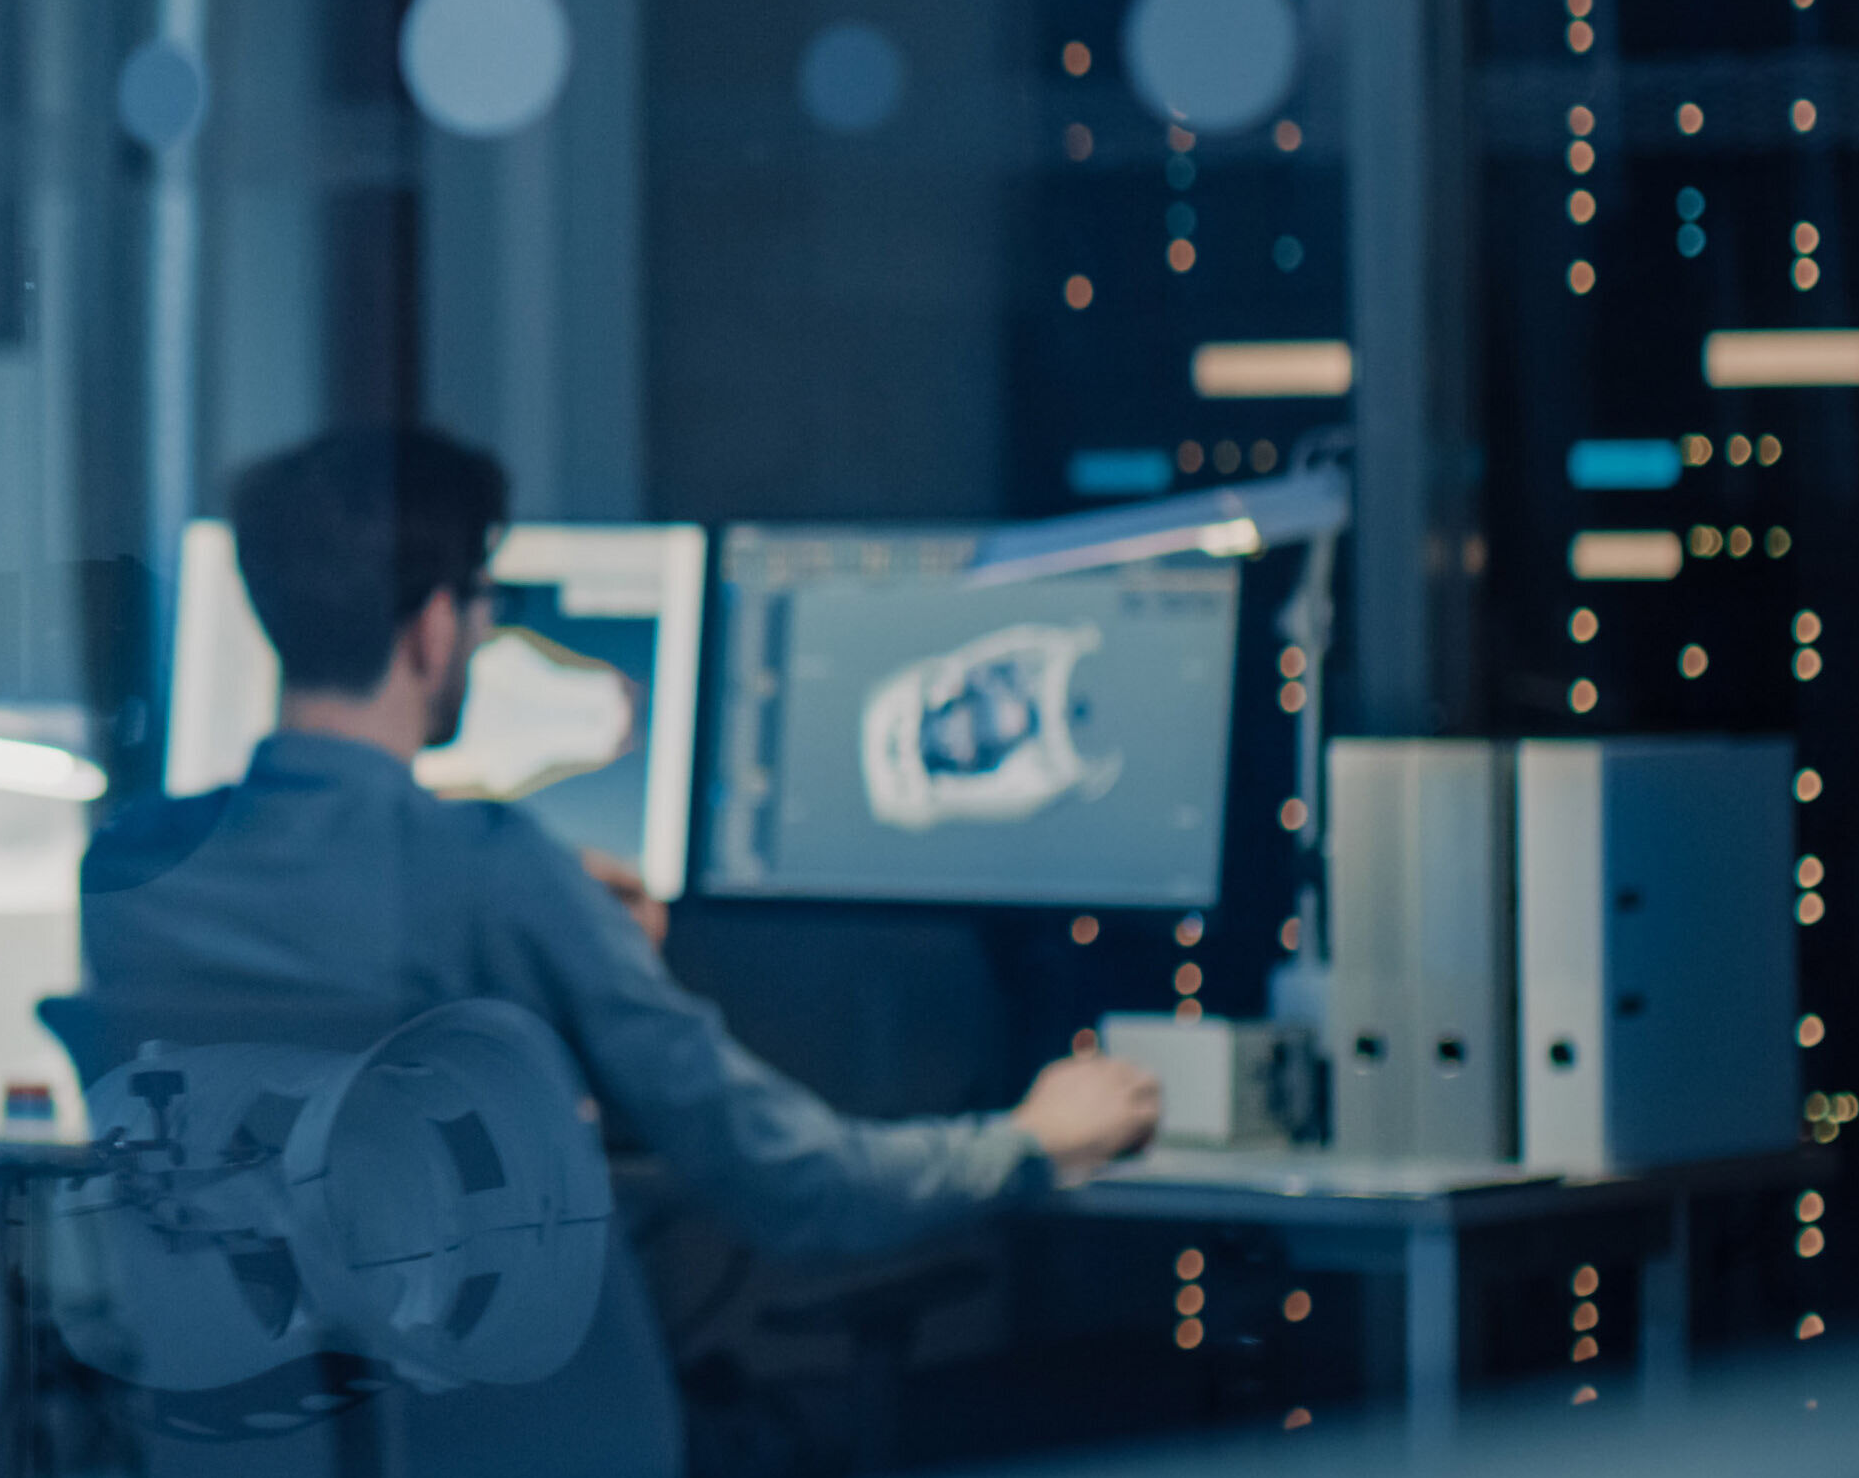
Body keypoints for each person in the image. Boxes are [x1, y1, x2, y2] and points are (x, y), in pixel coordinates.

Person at [76, 427, 1161, 1475]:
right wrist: (1026, 1138)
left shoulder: (129, 874)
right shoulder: (495, 871)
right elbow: (784, 1177)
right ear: (436, 629)